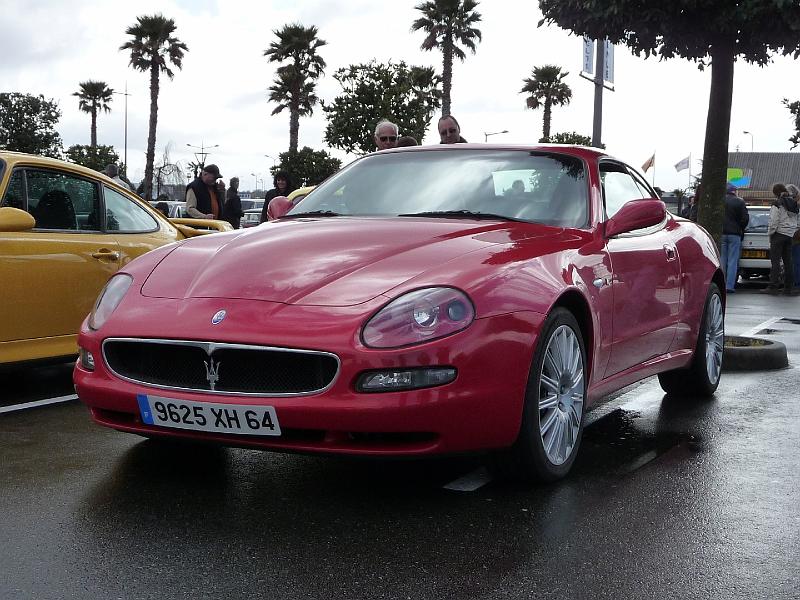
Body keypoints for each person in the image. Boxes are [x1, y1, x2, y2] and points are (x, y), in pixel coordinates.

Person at [761, 183, 799, 295]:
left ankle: (773, 286)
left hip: (778, 235)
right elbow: (795, 220)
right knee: (788, 261)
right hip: (789, 235)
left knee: (775, 261)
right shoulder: (794, 204)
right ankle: (789, 287)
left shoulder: (777, 204)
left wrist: (771, 234)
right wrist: (791, 231)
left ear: (775, 193)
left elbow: (773, 221)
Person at [721, 182, 749, 294]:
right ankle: (730, 286)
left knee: (722, 259)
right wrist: (740, 228)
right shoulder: (740, 202)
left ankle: (721, 284)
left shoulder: (720, 201)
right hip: (735, 234)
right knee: (733, 261)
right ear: (734, 191)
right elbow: (745, 218)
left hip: (722, 233)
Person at [787, 183, 800, 291]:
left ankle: (796, 283)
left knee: (795, 261)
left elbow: (797, 223)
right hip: (795, 235)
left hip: (796, 237)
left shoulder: (797, 206)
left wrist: (792, 232)